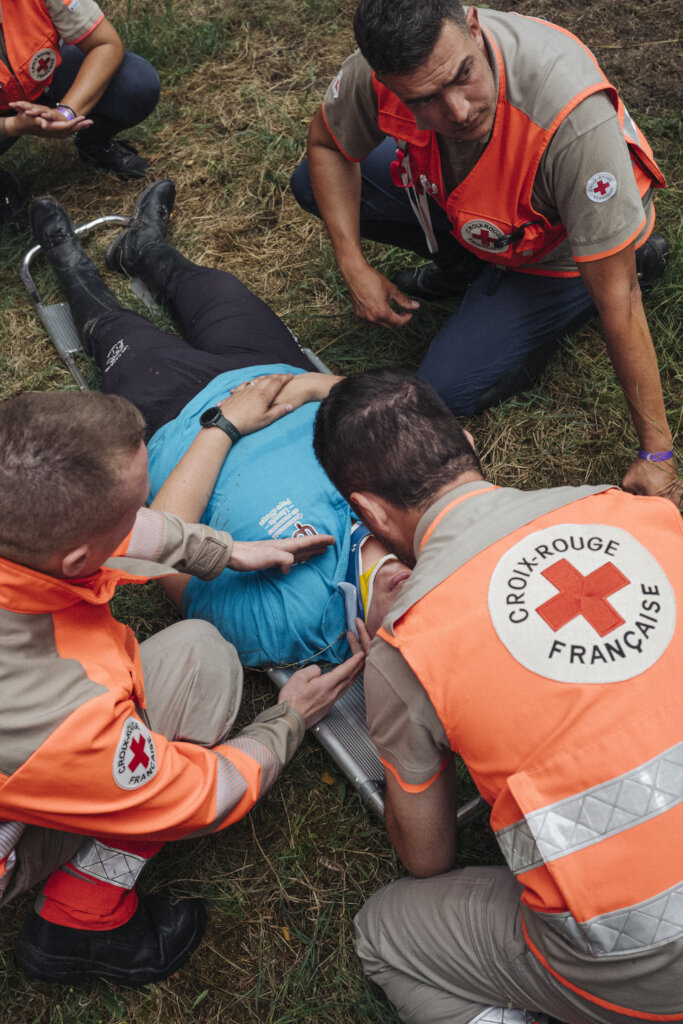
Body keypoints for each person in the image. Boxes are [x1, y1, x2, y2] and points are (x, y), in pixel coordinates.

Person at [312, 368, 683, 1024]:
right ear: (466, 440)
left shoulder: (408, 646)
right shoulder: (646, 516)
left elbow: (427, 856)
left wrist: (389, 680)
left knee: (384, 934)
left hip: (648, 962)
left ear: (369, 512)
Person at [0, 386, 364, 987]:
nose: (144, 516)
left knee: (197, 654)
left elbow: (117, 531)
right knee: (204, 670)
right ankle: (81, 917)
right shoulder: (64, 716)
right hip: (34, 781)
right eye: (133, 509)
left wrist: (226, 550)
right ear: (76, 560)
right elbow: (202, 794)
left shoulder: (19, 516)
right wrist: (289, 718)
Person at [291, 0, 677, 503]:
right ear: (386, 80)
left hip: (558, 250)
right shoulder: (381, 69)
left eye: (463, 76)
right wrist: (352, 263)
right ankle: (467, 267)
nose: (458, 110)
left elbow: (620, 299)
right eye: (424, 99)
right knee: (311, 182)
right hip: (474, 209)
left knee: (444, 389)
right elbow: (327, 146)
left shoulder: (570, 116)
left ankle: (627, 259)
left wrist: (657, 456)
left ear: (472, 27)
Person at [29, 180, 413, 669]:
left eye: (408, 626)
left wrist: (226, 425)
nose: (419, 596)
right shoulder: (430, 523)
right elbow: (392, 404)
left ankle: (68, 263)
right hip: (276, 371)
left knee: (117, 330)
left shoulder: (292, 625)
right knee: (214, 289)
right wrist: (311, 387)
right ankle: (142, 248)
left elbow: (157, 560)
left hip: (177, 416)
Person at [0, 0, 160, 229]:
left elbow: (105, 44)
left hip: (48, 75)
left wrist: (67, 112)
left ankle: (93, 142)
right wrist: (11, 126)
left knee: (135, 83)